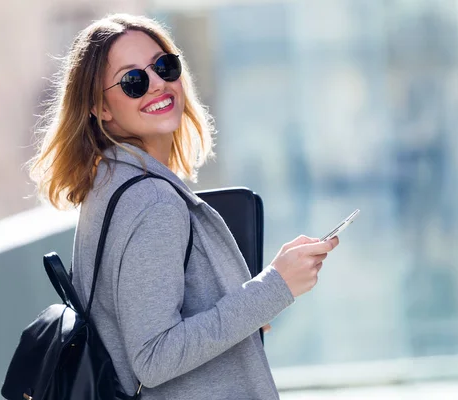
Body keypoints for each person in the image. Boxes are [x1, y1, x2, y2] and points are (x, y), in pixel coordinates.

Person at [29, 13, 339, 400]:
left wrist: (245, 317)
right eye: (133, 81)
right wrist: (275, 287)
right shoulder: (151, 202)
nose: (157, 84)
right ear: (100, 108)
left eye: (164, 66)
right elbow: (154, 356)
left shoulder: (108, 182)